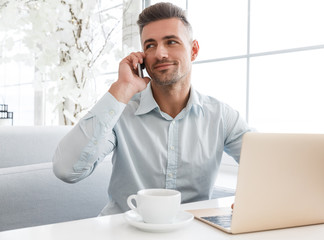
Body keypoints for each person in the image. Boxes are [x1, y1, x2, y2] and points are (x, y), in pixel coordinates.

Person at [53, 2, 252, 216]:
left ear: (193, 50)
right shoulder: (120, 112)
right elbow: (67, 170)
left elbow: (269, 167)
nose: (160, 54)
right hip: (122, 232)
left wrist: (252, 200)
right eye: (150, 45)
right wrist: (122, 88)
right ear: (142, 56)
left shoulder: (222, 116)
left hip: (192, 232)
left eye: (171, 42)